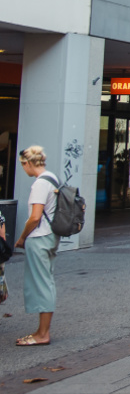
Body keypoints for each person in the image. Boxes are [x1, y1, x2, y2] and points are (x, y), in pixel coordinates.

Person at [15, 147, 59, 346]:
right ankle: (41, 331)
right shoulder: (52, 178)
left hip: (39, 237)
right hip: (50, 236)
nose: (23, 169)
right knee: (45, 280)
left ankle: (42, 334)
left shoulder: (40, 184)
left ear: (28, 163)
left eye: (22, 164)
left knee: (42, 283)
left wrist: (22, 238)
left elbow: (34, 217)